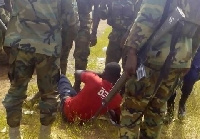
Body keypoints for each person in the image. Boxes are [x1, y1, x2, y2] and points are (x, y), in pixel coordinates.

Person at [120, 0, 200, 138]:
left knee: (133, 107)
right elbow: (197, 34)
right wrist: (189, 59)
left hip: (152, 58)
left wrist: (132, 51)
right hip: (179, 61)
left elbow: (147, 18)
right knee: (157, 108)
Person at [2, 0, 77, 138]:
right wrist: (64, 48)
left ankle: (14, 135)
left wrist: (9, 41)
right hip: (49, 47)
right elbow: (71, 20)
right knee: (49, 94)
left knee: (16, 91)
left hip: (20, 44)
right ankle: (44, 135)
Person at [91, 0, 143, 69]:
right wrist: (103, 4)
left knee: (128, 69)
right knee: (109, 67)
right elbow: (103, 16)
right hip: (115, 37)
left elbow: (139, 18)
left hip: (131, 39)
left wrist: (127, 34)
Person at [166, 46, 200, 123]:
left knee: (191, 78)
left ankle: (182, 104)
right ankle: (170, 110)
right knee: (172, 82)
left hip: (195, 54)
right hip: (178, 49)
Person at [73, 0, 94, 92]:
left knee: (81, 54)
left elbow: (97, 7)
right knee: (60, 54)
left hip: (83, 22)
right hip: (64, 21)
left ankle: (77, 85)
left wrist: (94, 32)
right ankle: (58, 83)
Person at [60, 0, 79, 75]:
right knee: (63, 57)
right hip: (65, 30)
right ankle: (62, 78)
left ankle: (61, 78)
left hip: (65, 30)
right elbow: (72, 21)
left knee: (62, 57)